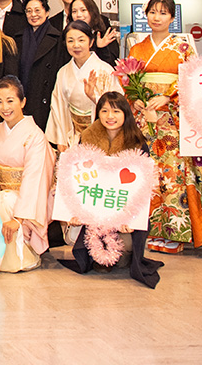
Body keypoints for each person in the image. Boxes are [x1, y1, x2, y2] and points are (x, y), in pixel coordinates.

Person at [127, 0, 202, 254]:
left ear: (172, 18)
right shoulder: (137, 48)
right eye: (152, 12)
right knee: (148, 173)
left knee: (173, 174)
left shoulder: (183, 48)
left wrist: (169, 96)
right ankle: (149, 229)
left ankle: (175, 230)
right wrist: (136, 98)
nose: (157, 17)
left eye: (163, 13)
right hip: (144, 120)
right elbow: (127, 80)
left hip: (171, 119)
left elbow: (192, 79)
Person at [59, 91, 163, 288]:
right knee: (97, 256)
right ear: (97, 113)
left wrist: (132, 219)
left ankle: (124, 253)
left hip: (124, 211)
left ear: (125, 114)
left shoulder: (137, 141)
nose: (110, 116)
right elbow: (76, 179)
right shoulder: (87, 138)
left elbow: (144, 185)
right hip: (95, 210)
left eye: (116, 111)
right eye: (104, 111)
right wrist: (72, 211)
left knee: (124, 250)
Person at [0, 77, 54, 272]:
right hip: (0, 193)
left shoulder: (35, 136)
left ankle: (24, 256)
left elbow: (35, 179)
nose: (5, 107)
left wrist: (18, 219)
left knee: (5, 200)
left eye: (10, 101)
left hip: (26, 202)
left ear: (23, 102)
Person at [46, 20, 116, 151]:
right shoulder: (63, 72)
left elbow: (116, 106)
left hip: (100, 132)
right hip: (73, 134)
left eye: (81, 40)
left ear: (91, 42)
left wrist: (94, 97)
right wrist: (61, 139)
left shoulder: (105, 70)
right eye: (70, 41)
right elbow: (58, 106)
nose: (76, 45)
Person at [16, 0, 67, 130]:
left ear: (47, 12)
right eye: (29, 11)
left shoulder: (58, 39)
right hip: (24, 96)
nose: (33, 14)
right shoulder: (18, 38)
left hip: (46, 97)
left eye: (37, 10)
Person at [69, 0, 121, 66]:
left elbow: (112, 65)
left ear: (92, 12)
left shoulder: (104, 32)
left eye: (83, 10)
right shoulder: (68, 34)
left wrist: (101, 48)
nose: (78, 15)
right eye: (74, 11)